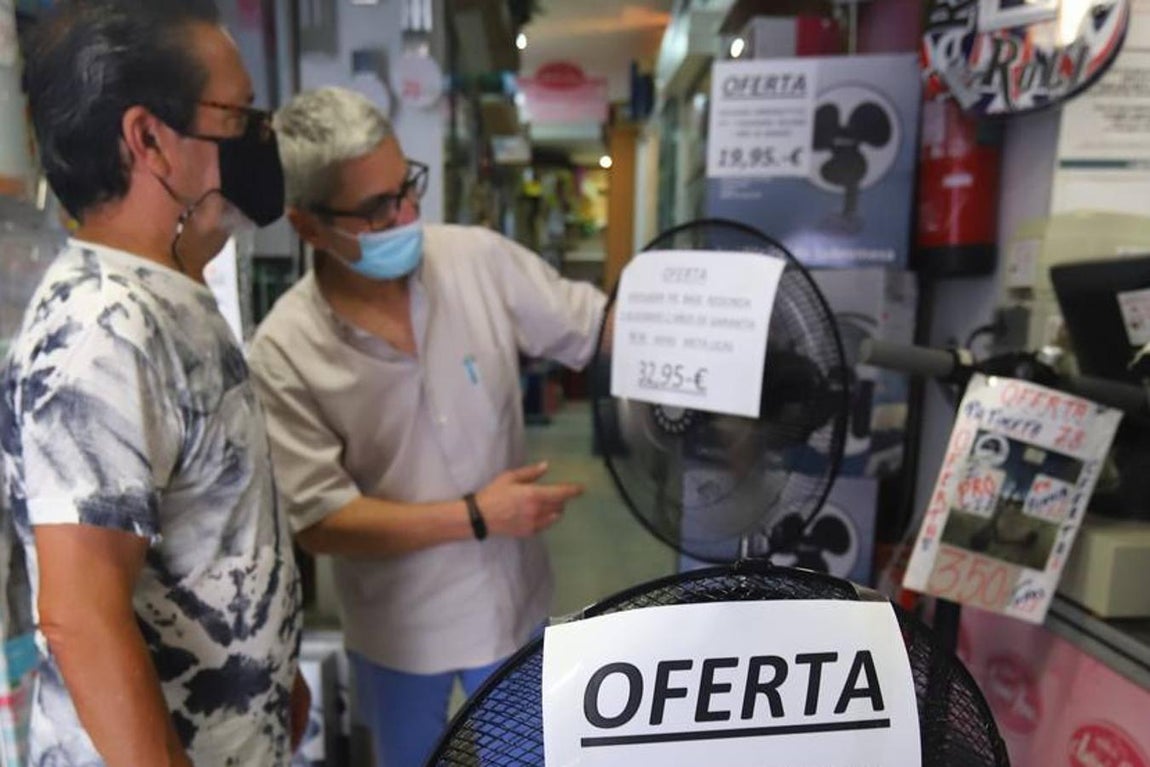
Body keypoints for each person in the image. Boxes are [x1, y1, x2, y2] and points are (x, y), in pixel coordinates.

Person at [248, 86, 608, 767]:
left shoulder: (476, 260)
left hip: (511, 606)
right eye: (379, 208)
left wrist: (701, 331)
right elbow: (321, 518)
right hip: (397, 630)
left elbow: (589, 324)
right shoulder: (286, 351)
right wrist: (478, 514)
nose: (408, 214)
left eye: (405, 186)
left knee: (526, 757)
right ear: (307, 226)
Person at [0, 1, 307, 764]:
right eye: (236, 115)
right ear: (149, 140)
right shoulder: (103, 331)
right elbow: (80, 615)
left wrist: (273, 673)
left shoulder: (163, 294)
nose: (257, 136)